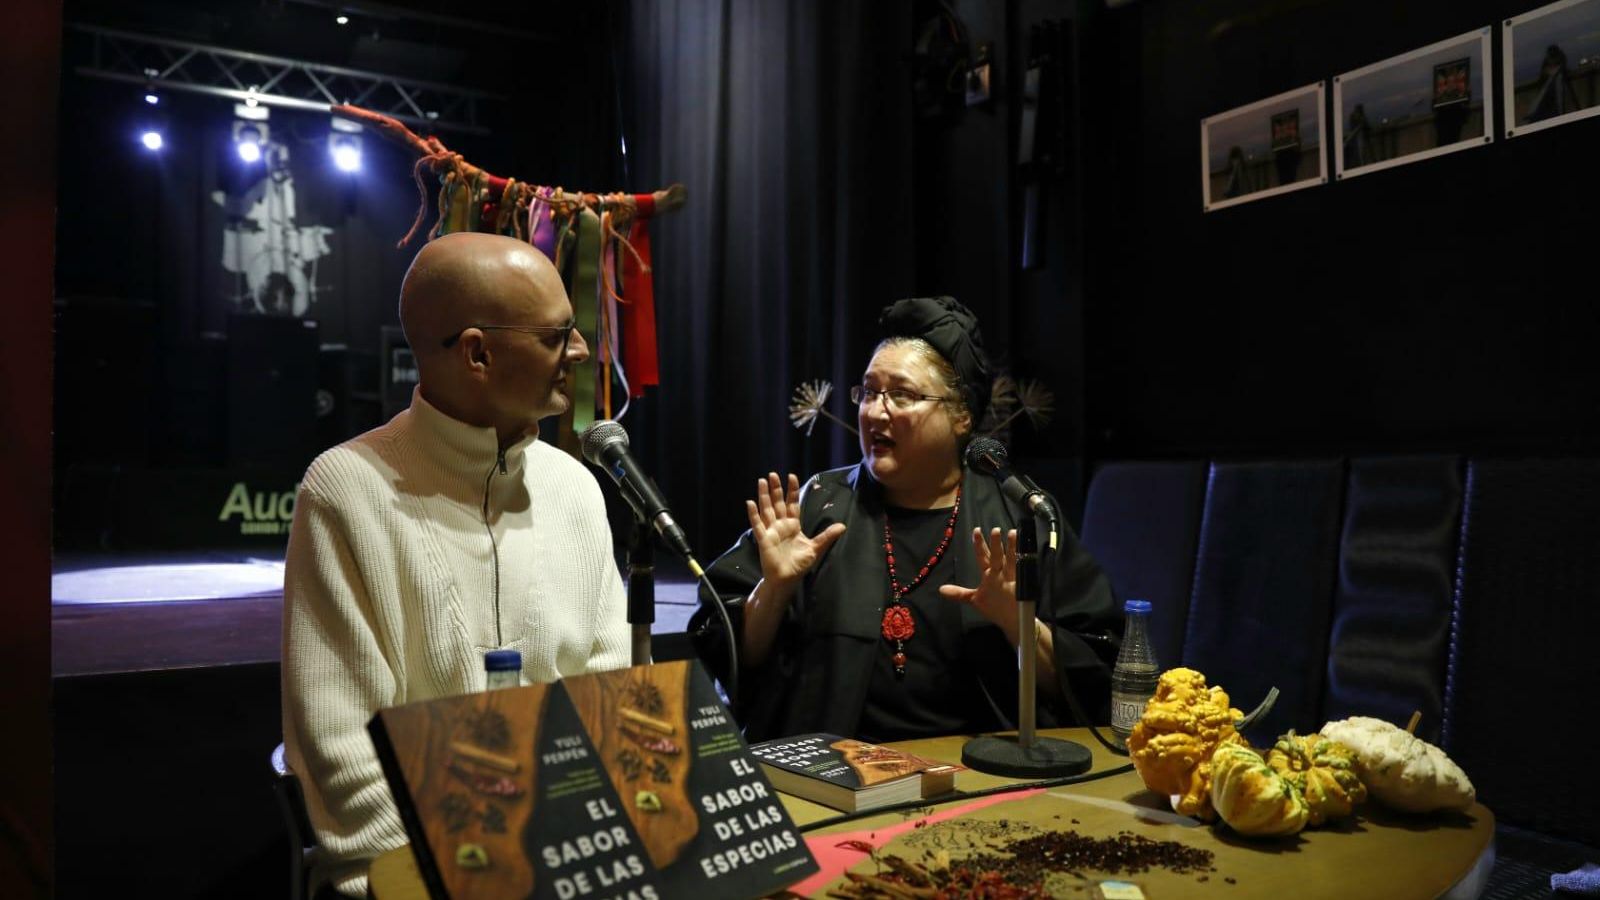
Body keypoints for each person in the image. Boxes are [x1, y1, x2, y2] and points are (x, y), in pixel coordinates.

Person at [281, 232, 631, 898]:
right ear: (477, 352)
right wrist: (485, 866)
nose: (582, 352)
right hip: (418, 877)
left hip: (568, 865)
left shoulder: (576, 487)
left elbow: (608, 702)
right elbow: (343, 757)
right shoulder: (345, 490)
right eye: (558, 335)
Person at [690, 296, 1120, 743]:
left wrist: (1017, 621)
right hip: (835, 772)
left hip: (982, 776)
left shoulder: (1018, 518)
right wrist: (773, 591)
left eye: (902, 395)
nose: (875, 412)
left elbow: (1090, 683)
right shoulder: (818, 507)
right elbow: (732, 659)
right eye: (869, 392)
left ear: (961, 416)